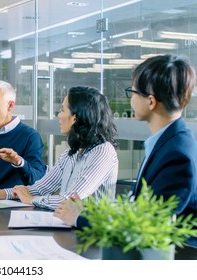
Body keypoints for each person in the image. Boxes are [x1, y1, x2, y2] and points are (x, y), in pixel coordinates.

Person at [55, 54, 197, 249]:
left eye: (133, 92)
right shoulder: (169, 142)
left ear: (151, 101)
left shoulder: (177, 154)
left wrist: (80, 217)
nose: (130, 99)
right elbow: (140, 211)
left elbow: (147, 226)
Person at [0, 86, 118, 210]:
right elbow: (39, 188)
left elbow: (71, 200)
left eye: (62, 110)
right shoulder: (71, 154)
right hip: (69, 226)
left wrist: (32, 200)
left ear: (75, 117)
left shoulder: (103, 151)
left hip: (93, 235)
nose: (59, 115)